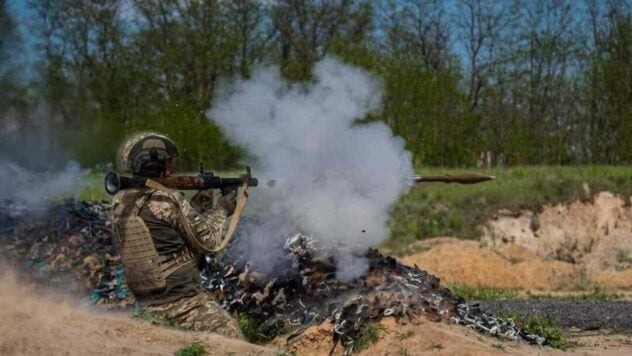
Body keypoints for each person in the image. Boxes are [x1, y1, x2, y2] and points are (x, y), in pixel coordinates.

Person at [110, 132, 242, 338]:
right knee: (234, 343)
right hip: (184, 304)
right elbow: (209, 243)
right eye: (168, 163)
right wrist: (222, 209)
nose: (171, 168)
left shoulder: (121, 201)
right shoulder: (167, 199)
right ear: (157, 165)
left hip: (148, 305)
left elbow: (162, 230)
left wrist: (195, 207)